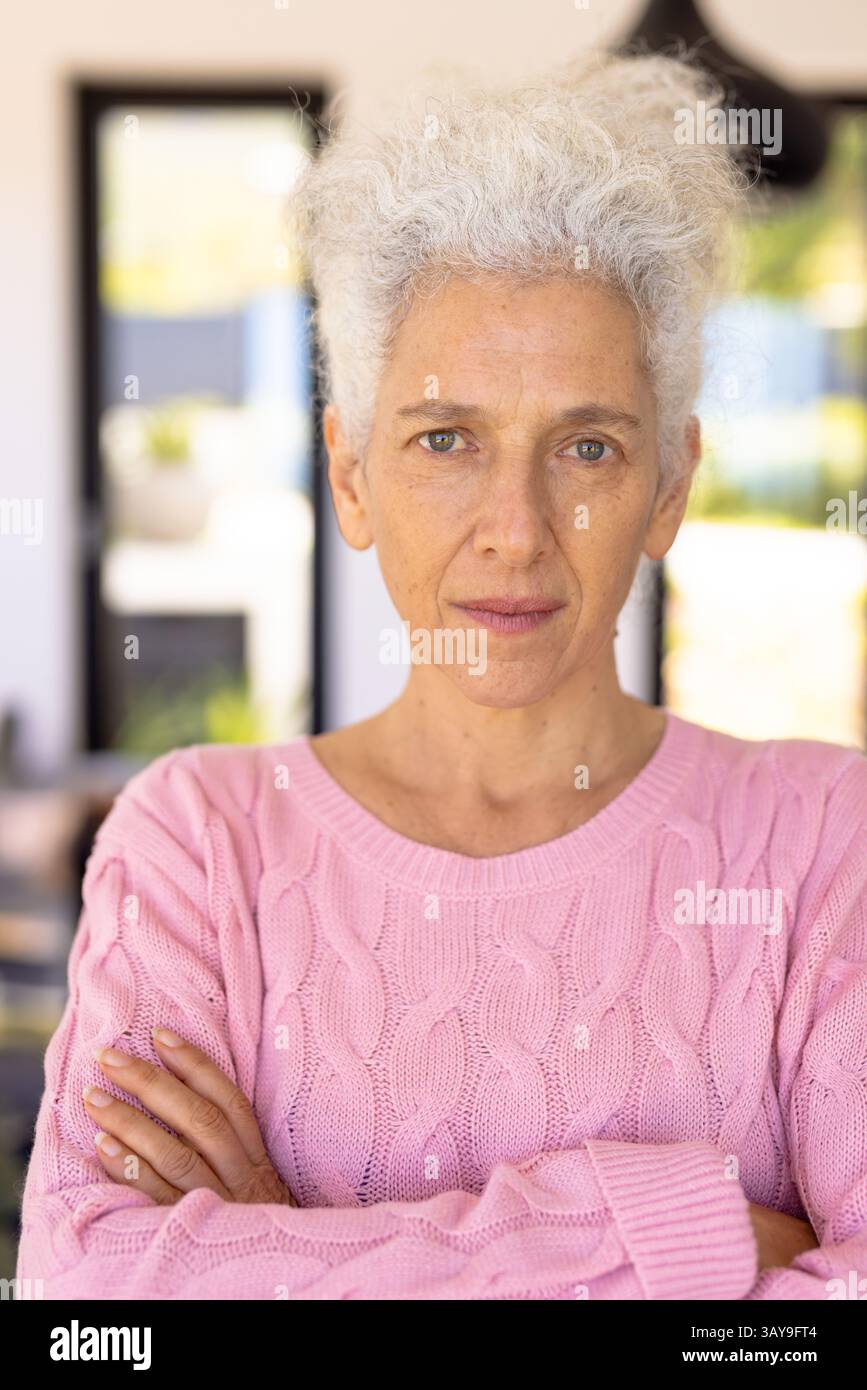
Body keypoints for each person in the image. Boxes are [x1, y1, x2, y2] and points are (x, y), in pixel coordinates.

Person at [16, 50, 867, 1300]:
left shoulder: (824, 844)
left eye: (586, 444)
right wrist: (687, 1231)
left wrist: (283, 1248)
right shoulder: (196, 849)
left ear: (669, 486)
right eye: (445, 439)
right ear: (351, 475)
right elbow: (92, 1308)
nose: (515, 527)